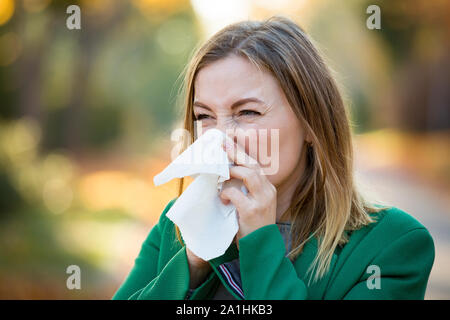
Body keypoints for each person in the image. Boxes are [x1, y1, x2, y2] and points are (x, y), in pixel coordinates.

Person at [112, 16, 434, 300]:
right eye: (205, 116)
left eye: (248, 112)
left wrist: (260, 243)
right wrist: (190, 265)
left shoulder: (392, 246)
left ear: (311, 123)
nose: (221, 137)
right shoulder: (178, 227)